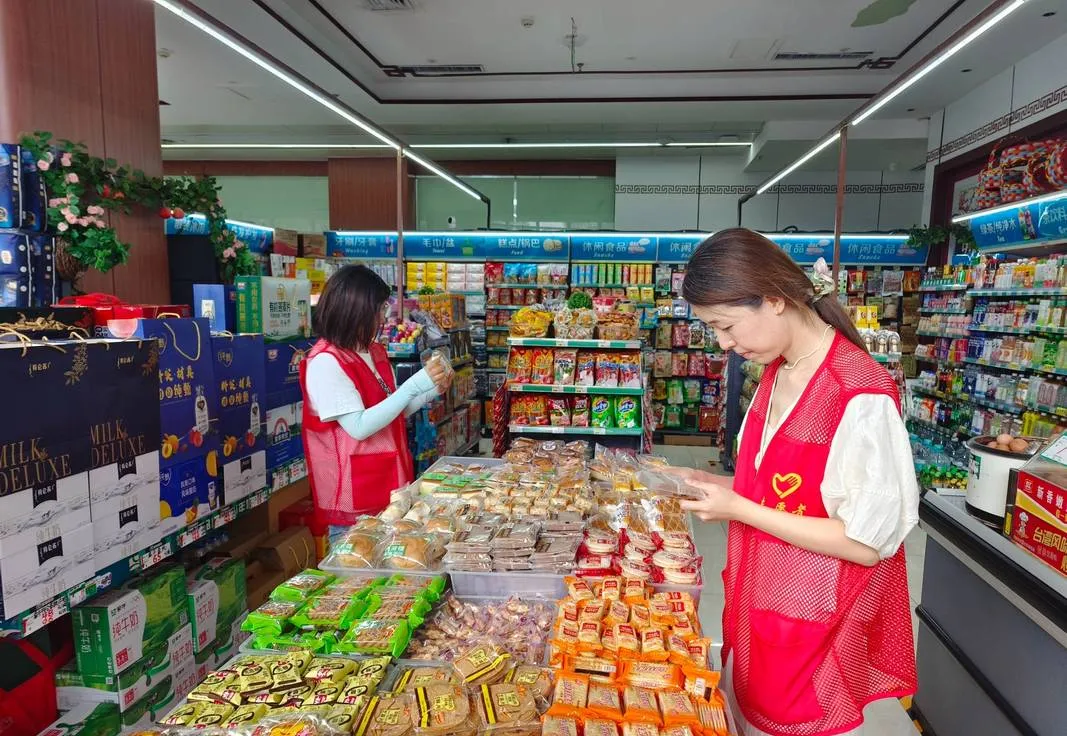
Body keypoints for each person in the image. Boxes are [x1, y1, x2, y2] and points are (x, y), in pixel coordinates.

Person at [676, 229, 918, 736]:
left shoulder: (859, 393)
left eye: (727, 326)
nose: (726, 345)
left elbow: (864, 543)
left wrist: (738, 509)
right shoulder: (781, 370)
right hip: (765, 598)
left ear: (774, 299)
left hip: (814, 618)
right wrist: (713, 484)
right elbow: (780, 483)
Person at [300, 265, 451, 533]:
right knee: (360, 569)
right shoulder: (326, 361)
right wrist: (413, 385)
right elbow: (359, 426)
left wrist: (431, 390)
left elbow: (393, 412)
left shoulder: (373, 352)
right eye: (380, 309)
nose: (384, 316)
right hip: (354, 495)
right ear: (355, 310)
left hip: (392, 485)